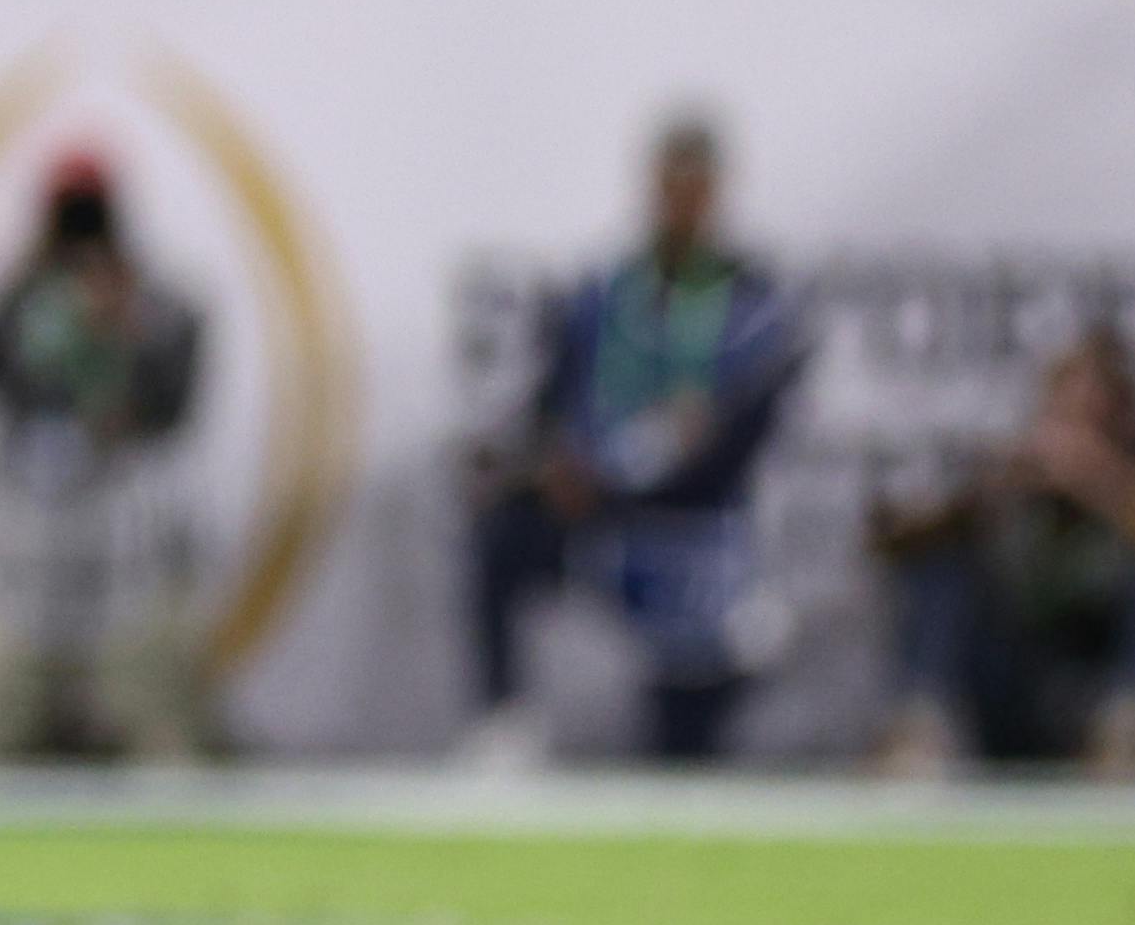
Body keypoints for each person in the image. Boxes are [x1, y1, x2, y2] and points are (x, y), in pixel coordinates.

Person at [463, 118, 805, 763]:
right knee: (504, 535)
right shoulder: (605, 294)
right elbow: (551, 401)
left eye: (694, 188)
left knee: (684, 742)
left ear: (715, 194)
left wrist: (635, 476)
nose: (679, 204)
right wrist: (545, 466)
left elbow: (738, 445)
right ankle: (503, 722)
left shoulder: (753, 305)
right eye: (668, 186)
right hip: (600, 522)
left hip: (696, 534)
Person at [0, 154, 210, 760]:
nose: (79, 236)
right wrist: (27, 281)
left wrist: (125, 328)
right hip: (29, 547)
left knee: (163, 730)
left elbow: (175, 397)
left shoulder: (156, 303)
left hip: (124, 545)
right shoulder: (21, 299)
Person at [870, 327, 1135, 775]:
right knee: (942, 567)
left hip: (1090, 688)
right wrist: (985, 495)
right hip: (1011, 683)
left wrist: (1096, 480)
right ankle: (920, 728)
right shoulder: (1013, 477)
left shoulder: (1116, 479)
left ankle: (1124, 734)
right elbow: (891, 544)